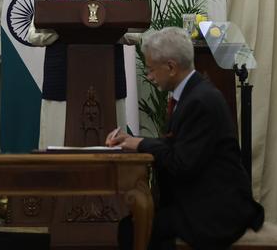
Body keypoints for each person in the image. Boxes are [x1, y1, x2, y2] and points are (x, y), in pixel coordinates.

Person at [108, 27, 264, 250]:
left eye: (152, 70)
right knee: (132, 225)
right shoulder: (192, 93)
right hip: (203, 198)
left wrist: (141, 143)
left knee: (133, 229)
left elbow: (181, 163)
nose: (150, 77)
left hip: (218, 208)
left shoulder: (200, 101)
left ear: (171, 67)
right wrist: (133, 140)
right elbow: (178, 145)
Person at [26, 0, 135, 147]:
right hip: (62, 80)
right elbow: (33, 34)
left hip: (107, 78)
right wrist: (61, 26)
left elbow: (136, 32)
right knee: (59, 148)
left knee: (111, 151)